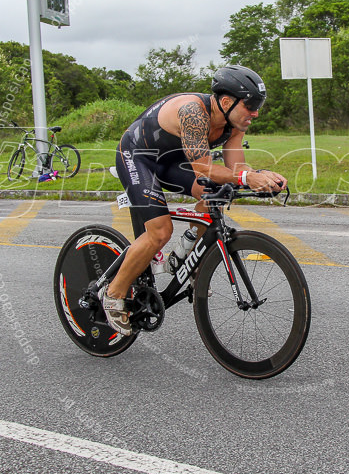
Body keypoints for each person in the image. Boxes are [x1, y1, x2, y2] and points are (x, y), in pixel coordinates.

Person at [104, 65, 287, 335]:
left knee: (216, 191)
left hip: (174, 161)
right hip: (139, 158)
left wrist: (259, 177)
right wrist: (248, 177)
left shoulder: (234, 122)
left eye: (258, 105)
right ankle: (113, 294)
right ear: (227, 101)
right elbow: (203, 168)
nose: (255, 112)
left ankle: (185, 254)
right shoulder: (193, 113)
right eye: (250, 106)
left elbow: (235, 171)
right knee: (159, 232)